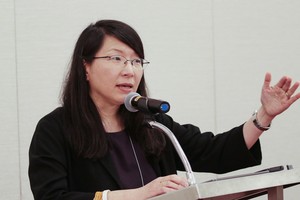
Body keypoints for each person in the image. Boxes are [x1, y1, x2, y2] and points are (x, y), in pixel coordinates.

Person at [28, 19, 300, 200]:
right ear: (85, 66)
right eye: (116, 58)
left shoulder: (152, 123)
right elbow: (52, 196)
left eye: (136, 61)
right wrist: (142, 193)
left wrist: (264, 116)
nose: (129, 70)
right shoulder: (56, 129)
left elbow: (215, 153)